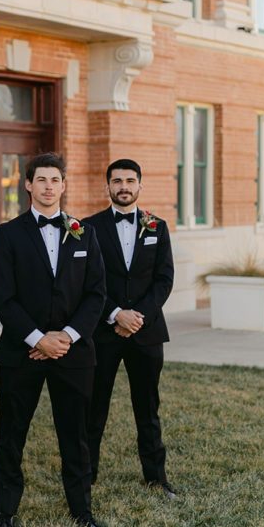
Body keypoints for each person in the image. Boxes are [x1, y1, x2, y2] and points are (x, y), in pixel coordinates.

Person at [0, 152, 107, 527]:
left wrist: (67, 337)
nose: (48, 186)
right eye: (41, 180)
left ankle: (81, 510)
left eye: (55, 180)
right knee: (11, 433)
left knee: (77, 435)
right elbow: (3, 296)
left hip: (73, 353)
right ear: (27, 185)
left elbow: (96, 294)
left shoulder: (84, 233)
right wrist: (39, 339)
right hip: (22, 351)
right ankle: (5, 512)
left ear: (64, 185)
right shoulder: (9, 234)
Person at [83, 158, 177, 499]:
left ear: (140, 185)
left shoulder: (157, 227)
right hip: (103, 333)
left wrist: (137, 316)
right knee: (94, 407)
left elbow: (164, 279)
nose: (124, 186)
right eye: (117, 180)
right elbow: (87, 281)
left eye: (130, 180)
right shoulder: (88, 227)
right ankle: (86, 476)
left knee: (147, 408)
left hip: (146, 331)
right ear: (107, 186)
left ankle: (156, 477)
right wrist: (115, 315)